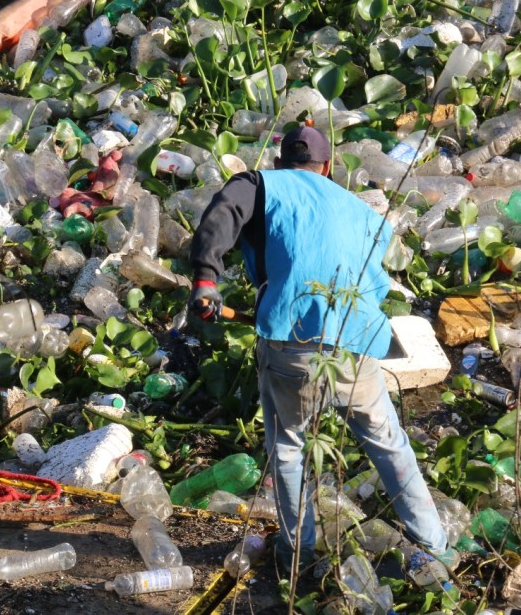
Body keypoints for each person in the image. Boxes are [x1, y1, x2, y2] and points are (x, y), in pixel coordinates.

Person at [189, 126, 456, 577]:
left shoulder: (259, 184)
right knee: (389, 444)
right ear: (328, 167)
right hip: (358, 343)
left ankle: (298, 559)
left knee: (291, 447)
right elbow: (374, 283)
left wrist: (206, 280)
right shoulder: (361, 210)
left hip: (292, 340)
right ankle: (435, 544)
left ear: (279, 162)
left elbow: (223, 214)